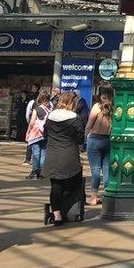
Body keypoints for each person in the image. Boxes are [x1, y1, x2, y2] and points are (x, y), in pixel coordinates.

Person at [42, 92, 85, 226]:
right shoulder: (75, 118)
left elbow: (45, 134)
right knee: (73, 183)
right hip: (69, 156)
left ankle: (57, 215)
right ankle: (69, 209)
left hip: (52, 155)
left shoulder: (50, 117)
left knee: (56, 185)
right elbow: (80, 138)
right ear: (72, 103)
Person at [84, 86, 114, 206]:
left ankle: (93, 197)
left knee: (95, 170)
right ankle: (107, 195)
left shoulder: (97, 107)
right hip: (108, 140)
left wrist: (85, 136)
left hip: (95, 139)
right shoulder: (114, 108)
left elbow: (89, 124)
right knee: (107, 170)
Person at [25, 90, 52, 180]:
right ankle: (42, 172)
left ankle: (35, 171)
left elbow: (32, 122)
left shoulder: (37, 109)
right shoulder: (51, 108)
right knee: (43, 153)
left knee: (36, 153)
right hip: (46, 134)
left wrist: (28, 132)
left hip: (36, 134)